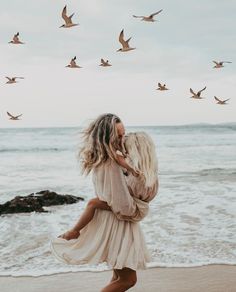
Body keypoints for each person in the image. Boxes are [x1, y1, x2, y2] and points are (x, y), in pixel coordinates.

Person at [51, 113, 158, 292]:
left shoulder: (106, 159)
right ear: (108, 136)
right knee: (128, 280)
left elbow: (111, 199)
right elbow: (123, 207)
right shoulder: (113, 164)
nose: (123, 139)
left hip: (111, 221)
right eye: (119, 135)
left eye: (124, 134)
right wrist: (140, 209)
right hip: (118, 224)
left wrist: (129, 167)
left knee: (118, 277)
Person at [59, 131, 158, 241]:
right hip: (138, 207)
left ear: (134, 151)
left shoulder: (135, 172)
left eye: (126, 149)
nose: (124, 152)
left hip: (131, 208)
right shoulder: (149, 172)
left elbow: (118, 160)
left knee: (92, 203)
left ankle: (74, 231)